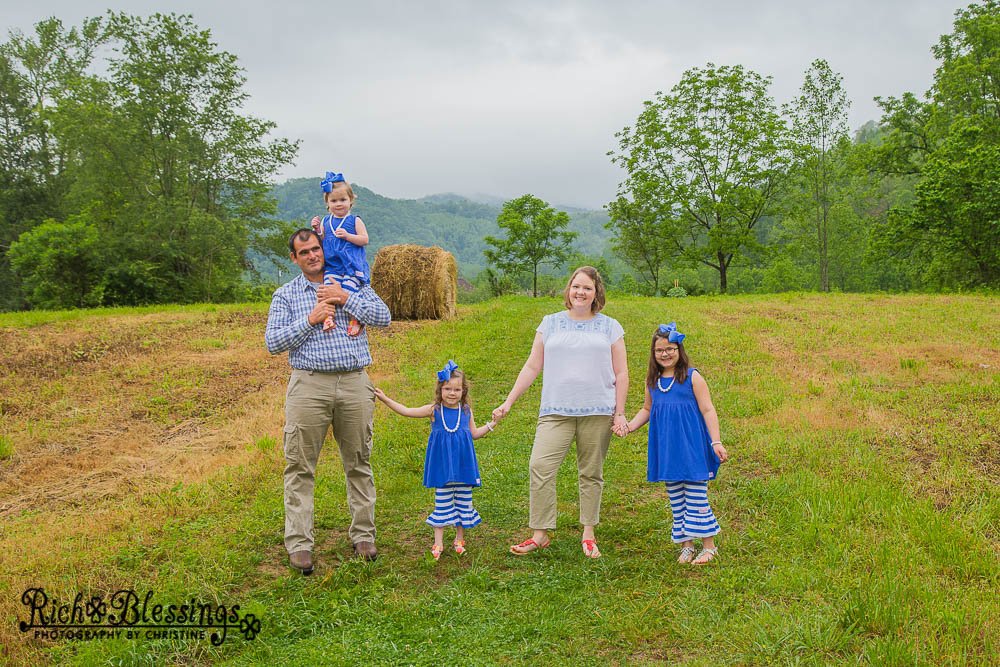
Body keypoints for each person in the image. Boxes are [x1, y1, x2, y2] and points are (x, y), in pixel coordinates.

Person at [265, 228, 391, 574]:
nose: (312, 256)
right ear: (294, 258)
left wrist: (345, 298)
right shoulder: (286, 295)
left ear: (324, 249)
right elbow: (273, 343)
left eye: (315, 249)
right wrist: (310, 320)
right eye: (304, 252)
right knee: (300, 466)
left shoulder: (352, 281)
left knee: (359, 461)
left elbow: (384, 317)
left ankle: (363, 536)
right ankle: (300, 544)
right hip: (309, 385)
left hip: (354, 382)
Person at [492, 266, 628, 559]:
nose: (581, 292)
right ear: (569, 289)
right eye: (576, 286)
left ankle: (588, 534)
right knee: (539, 466)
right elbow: (532, 366)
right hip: (555, 410)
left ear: (596, 293)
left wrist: (620, 413)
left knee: (591, 472)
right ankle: (540, 534)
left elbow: (621, 372)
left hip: (597, 410)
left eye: (587, 288)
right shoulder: (550, 323)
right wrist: (509, 401)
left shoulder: (610, 327)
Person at [616, 322, 729, 565]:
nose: (665, 354)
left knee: (696, 497)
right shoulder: (653, 380)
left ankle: (709, 547)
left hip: (692, 447)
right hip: (668, 448)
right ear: (653, 353)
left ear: (679, 350)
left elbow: (708, 410)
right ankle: (686, 545)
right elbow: (647, 409)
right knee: (677, 498)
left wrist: (716, 442)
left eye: (670, 349)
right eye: (659, 350)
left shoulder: (692, 377)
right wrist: (629, 426)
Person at [374, 360, 497, 561]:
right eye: (447, 389)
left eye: (457, 389)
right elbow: (407, 410)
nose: (452, 393)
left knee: (463, 501)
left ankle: (459, 539)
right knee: (443, 502)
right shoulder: (434, 410)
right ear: (440, 390)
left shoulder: (466, 411)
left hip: (463, 465)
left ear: (463, 391)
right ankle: (438, 542)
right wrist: (386, 399)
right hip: (443, 466)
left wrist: (492, 424)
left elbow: (474, 434)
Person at [310, 171, 371, 336]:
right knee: (327, 290)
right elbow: (321, 239)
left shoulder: (355, 220)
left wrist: (348, 236)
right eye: (334, 201)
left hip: (351, 265)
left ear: (351, 201)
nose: (338, 204)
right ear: (327, 203)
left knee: (348, 290)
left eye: (343, 200)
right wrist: (317, 230)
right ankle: (328, 317)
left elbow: (364, 239)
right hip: (333, 265)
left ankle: (356, 319)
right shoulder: (326, 221)